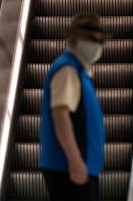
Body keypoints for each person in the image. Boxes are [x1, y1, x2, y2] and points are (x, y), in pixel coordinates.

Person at [39, 13, 107, 200]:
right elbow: (60, 115)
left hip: (79, 165)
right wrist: (75, 161)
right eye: (92, 39)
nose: (97, 45)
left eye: (100, 40)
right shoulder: (67, 69)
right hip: (68, 167)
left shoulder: (79, 71)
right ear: (74, 40)